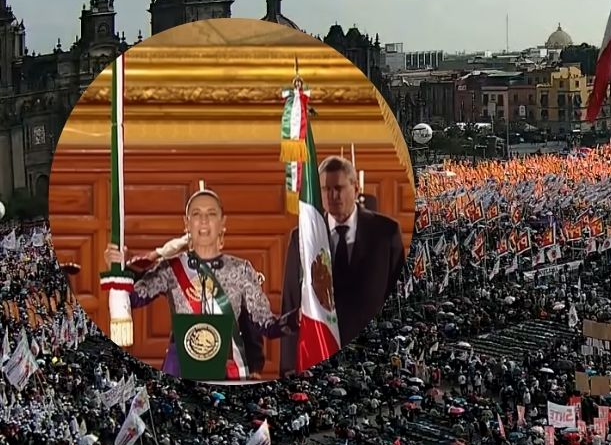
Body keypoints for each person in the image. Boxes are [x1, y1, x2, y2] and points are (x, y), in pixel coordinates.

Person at [103, 189, 296, 380]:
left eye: (211, 214)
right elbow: (132, 300)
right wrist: (116, 269)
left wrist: (299, 318)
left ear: (222, 223)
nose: (203, 220)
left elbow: (267, 326)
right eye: (196, 214)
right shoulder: (171, 269)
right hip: (181, 370)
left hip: (228, 374)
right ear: (186, 223)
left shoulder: (242, 270)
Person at [279, 156, 406, 375]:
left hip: (369, 357)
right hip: (317, 352)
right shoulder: (301, 238)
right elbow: (290, 303)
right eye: (325, 189)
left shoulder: (386, 233)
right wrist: (289, 366)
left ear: (355, 188)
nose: (332, 196)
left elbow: (399, 294)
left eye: (338, 188)